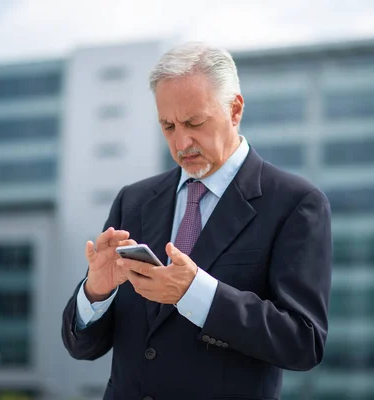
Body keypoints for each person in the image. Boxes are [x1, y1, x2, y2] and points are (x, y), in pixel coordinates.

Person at [61, 42, 332, 400]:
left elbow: (303, 341)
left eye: (194, 122)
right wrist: (96, 291)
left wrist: (196, 294)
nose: (181, 141)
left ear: (234, 110)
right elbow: (83, 347)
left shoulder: (295, 204)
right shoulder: (134, 200)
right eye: (168, 126)